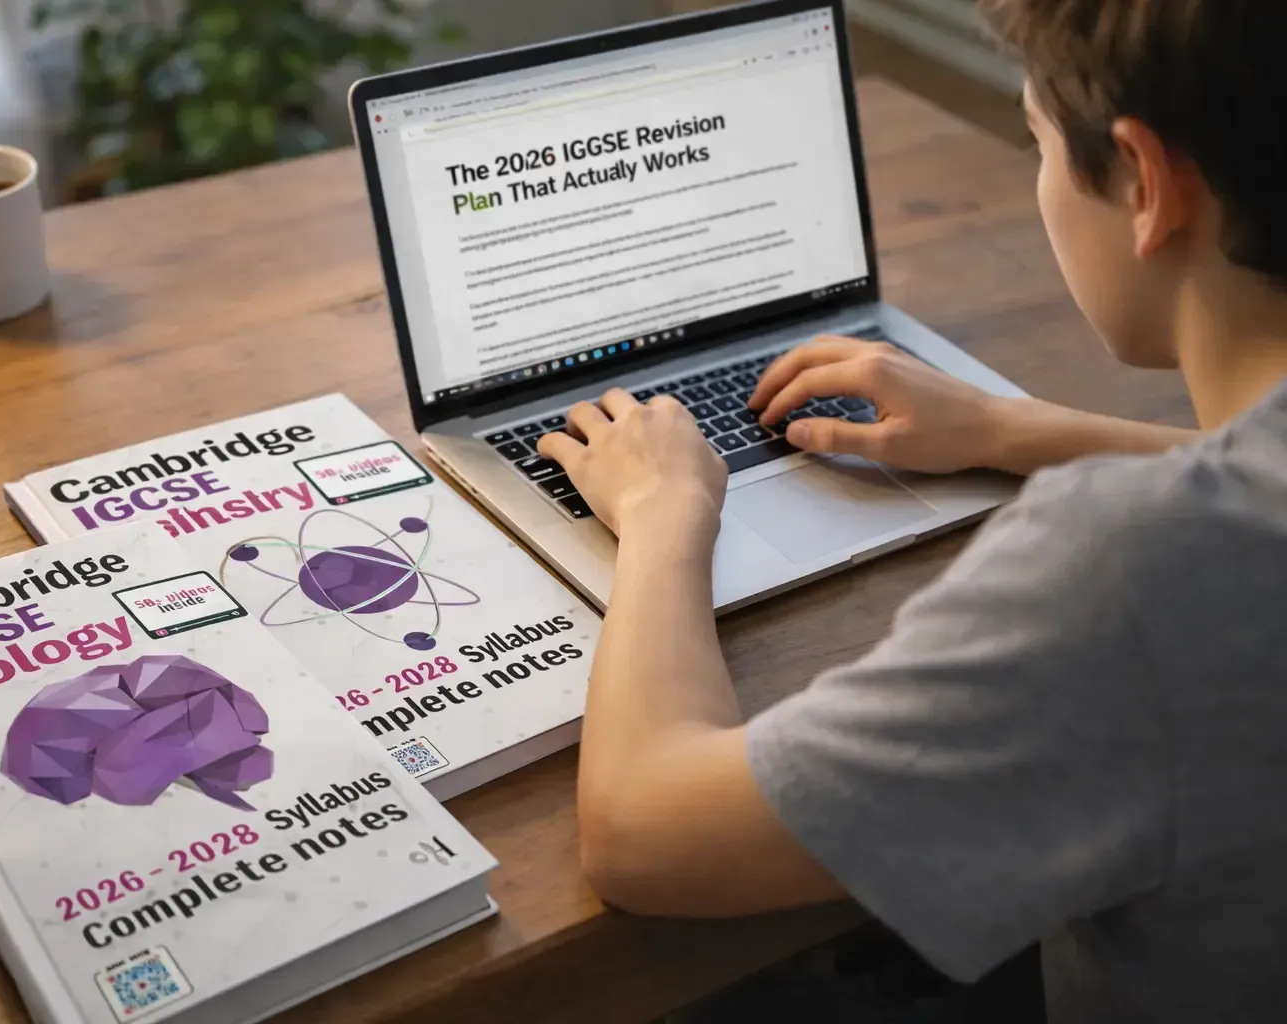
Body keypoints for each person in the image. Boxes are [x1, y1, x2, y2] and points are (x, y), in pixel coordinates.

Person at [535, 1, 1287, 1021]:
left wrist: (666, 512)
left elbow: (641, 834)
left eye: (1035, 141)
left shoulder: (1128, 571)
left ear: (1146, 184)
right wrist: (1013, 428)